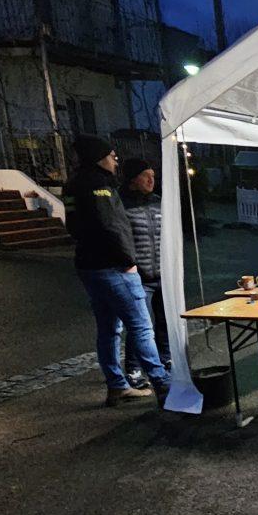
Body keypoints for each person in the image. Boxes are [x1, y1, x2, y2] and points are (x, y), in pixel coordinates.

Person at [66, 135, 170, 407]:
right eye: (112, 156)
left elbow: (74, 226)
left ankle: (117, 385)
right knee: (141, 326)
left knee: (109, 329)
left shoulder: (74, 185)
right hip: (112, 267)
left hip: (89, 266)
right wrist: (127, 260)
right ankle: (163, 385)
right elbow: (110, 225)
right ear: (99, 158)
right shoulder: (99, 186)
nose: (115, 161)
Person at [120, 158, 170, 389]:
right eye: (145, 176)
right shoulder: (121, 204)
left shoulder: (158, 202)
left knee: (164, 321)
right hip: (138, 276)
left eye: (153, 176)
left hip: (162, 273)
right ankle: (133, 368)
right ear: (133, 179)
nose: (151, 180)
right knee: (141, 325)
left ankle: (166, 359)